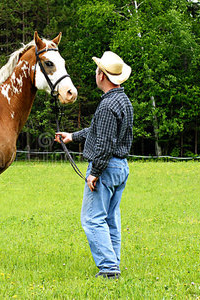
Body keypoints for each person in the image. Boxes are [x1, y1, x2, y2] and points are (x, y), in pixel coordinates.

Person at [55, 51, 133, 279]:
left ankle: (109, 269)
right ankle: (113, 263)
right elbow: (99, 132)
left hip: (106, 168)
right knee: (110, 218)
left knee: (92, 219)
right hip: (120, 167)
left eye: (97, 70)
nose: (95, 73)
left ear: (102, 75)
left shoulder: (108, 106)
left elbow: (106, 143)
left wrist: (95, 172)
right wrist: (72, 136)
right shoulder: (123, 101)